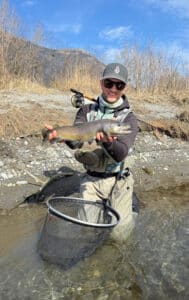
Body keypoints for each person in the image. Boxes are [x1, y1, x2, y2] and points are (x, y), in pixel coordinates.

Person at [46, 63, 138, 240]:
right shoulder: (86, 110)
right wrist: (60, 136)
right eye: (109, 83)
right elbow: (76, 144)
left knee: (120, 237)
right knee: (86, 233)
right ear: (101, 83)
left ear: (124, 87)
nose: (113, 89)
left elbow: (121, 153)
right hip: (91, 180)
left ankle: (131, 210)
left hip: (118, 180)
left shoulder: (129, 119)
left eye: (119, 85)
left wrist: (107, 143)